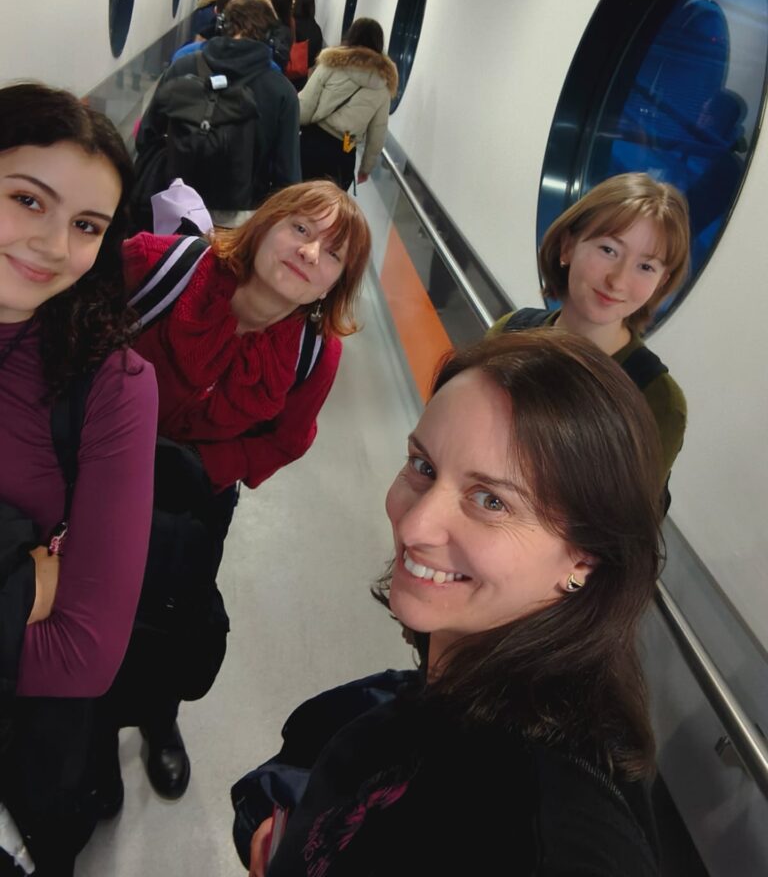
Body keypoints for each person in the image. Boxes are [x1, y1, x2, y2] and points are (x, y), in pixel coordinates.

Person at [232, 330, 664, 877]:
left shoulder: (548, 831)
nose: (414, 525)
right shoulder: (468, 683)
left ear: (585, 558)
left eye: (491, 501)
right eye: (424, 466)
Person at [93, 180, 372, 806]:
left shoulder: (314, 353)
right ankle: (96, 732)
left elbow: (288, 440)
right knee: (91, 604)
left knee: (168, 616)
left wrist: (206, 465)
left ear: (334, 285)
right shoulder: (158, 268)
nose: (309, 253)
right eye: (300, 229)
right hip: (97, 476)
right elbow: (68, 339)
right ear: (265, 225)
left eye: (332, 254)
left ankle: (159, 718)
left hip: (197, 498)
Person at [0, 83, 157, 876]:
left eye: (87, 225)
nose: (55, 246)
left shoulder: (112, 386)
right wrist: (19, 591)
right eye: (28, 200)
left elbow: (83, 653)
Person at [491, 173, 690, 485]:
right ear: (568, 247)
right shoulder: (509, 333)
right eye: (608, 250)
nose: (618, 281)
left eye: (646, 266)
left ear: (661, 282)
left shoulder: (656, 400)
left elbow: (624, 514)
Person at [133, 0, 301, 229]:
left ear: (221, 24)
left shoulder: (183, 67)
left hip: (175, 205)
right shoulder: (282, 91)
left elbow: (146, 136)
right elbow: (288, 175)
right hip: (240, 217)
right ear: (269, 37)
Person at [299, 18, 397, 191]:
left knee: (297, 196)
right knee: (329, 206)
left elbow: (306, 105)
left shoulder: (330, 64)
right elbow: (377, 133)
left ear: (351, 36)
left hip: (312, 144)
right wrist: (365, 168)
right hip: (343, 156)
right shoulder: (383, 85)